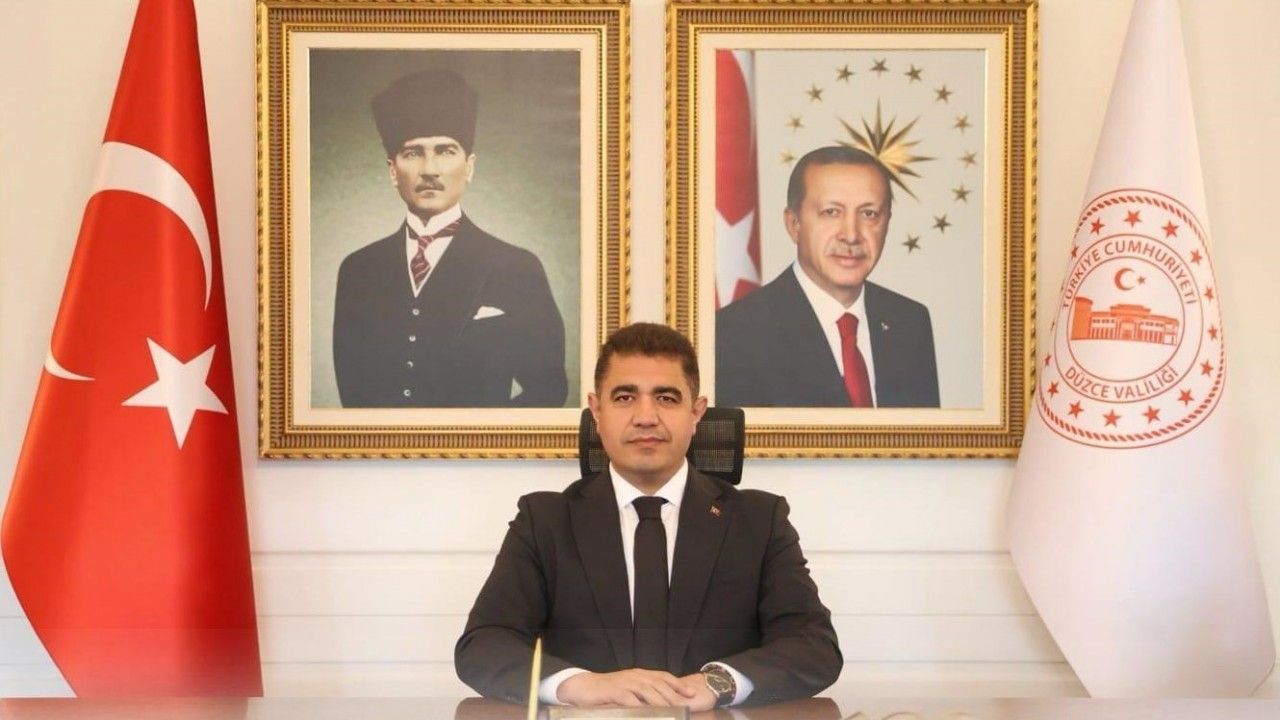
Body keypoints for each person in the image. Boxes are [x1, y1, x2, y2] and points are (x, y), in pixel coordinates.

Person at [455, 323, 841, 709]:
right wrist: (580, 685)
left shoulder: (758, 521)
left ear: (696, 413)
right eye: (624, 397)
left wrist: (717, 683)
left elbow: (814, 645)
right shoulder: (545, 522)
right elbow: (483, 645)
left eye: (666, 398)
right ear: (596, 410)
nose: (645, 416)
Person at [332, 68, 567, 408]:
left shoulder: (517, 267)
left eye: (445, 150)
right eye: (413, 153)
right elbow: (353, 398)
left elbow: (548, 391)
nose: (430, 169)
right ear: (392, 170)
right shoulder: (358, 271)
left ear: (469, 167)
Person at [716, 146, 940, 408]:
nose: (851, 235)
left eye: (869, 214)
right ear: (794, 224)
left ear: (887, 223)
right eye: (831, 212)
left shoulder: (909, 322)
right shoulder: (735, 333)